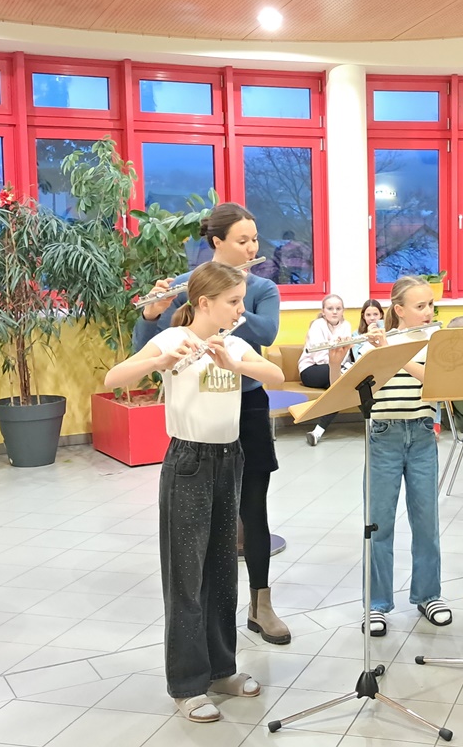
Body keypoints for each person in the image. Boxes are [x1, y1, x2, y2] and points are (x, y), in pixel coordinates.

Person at [106, 262, 285, 722]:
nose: (241, 309)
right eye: (233, 302)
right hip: (189, 461)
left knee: (222, 571)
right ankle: (187, 684)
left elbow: (276, 375)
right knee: (186, 576)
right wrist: (158, 362)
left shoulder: (234, 343)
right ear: (204, 303)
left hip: (230, 458)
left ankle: (222, 669)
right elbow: (113, 378)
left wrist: (236, 364)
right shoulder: (173, 338)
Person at [133, 203, 291, 645]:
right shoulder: (190, 287)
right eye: (242, 240)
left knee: (253, 507)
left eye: (254, 239)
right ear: (217, 242)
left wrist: (228, 302)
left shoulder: (262, 287)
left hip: (246, 405)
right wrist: (153, 312)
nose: (252, 248)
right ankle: (203, 618)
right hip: (199, 413)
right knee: (199, 521)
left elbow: (266, 334)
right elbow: (146, 349)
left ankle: (261, 603)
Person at [342, 276, 450, 637]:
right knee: (378, 524)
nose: (428, 311)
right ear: (399, 310)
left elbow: (438, 382)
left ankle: (428, 595)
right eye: (420, 306)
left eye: (430, 305)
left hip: (421, 435)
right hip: (384, 436)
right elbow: (352, 386)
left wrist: (395, 352)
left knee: (426, 521)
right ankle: (376, 604)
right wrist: (364, 352)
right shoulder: (374, 344)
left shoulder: (436, 340)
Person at [299, 294, 352, 446]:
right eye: (330, 308)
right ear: (323, 311)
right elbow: (319, 357)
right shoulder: (317, 325)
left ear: (343, 311)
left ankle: (317, 432)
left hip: (336, 369)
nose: (334, 312)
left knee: (339, 388)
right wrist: (336, 361)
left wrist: (337, 361)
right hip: (312, 370)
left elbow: (345, 353)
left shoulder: (346, 325)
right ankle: (374, 425)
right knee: (345, 381)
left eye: (338, 308)